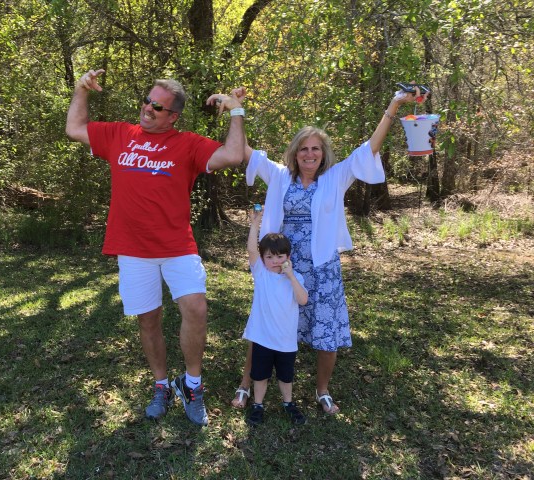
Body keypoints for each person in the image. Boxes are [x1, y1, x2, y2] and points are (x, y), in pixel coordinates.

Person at [66, 69, 246, 426]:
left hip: (177, 246)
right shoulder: (119, 134)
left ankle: (192, 385)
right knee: (149, 321)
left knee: (196, 308)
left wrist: (236, 110)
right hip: (133, 250)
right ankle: (161, 386)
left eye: (158, 107)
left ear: (173, 116)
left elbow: (233, 155)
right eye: (148, 101)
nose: (148, 109)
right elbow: (75, 128)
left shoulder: (187, 143)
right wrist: (81, 90)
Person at [231, 85, 427, 414]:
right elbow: (245, 151)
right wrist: (236, 110)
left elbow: (370, 148)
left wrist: (394, 104)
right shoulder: (279, 176)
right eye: (304, 149)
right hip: (282, 264)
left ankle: (322, 390)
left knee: (327, 329)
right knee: (266, 323)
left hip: (322, 266)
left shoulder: (335, 177)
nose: (310, 154)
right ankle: (245, 384)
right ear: (295, 153)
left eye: (316, 149)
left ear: (323, 154)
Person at [243, 207, 309, 426]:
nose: (274, 261)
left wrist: (291, 276)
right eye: (269, 257)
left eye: (280, 256)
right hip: (263, 338)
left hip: (285, 340)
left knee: (286, 376)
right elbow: (251, 249)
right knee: (260, 375)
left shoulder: (295, 277)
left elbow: (303, 300)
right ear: (263, 259)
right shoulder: (261, 274)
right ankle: (258, 405)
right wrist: (255, 223)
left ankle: (288, 403)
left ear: (288, 257)